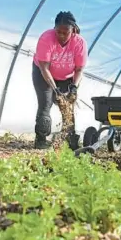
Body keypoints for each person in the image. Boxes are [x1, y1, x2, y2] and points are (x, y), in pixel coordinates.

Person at [32, 11, 88, 149]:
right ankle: (41, 139)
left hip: (67, 77)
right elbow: (44, 68)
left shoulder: (79, 43)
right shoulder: (46, 38)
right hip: (43, 74)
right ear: (54, 28)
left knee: (68, 107)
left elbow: (79, 69)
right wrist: (55, 89)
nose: (61, 35)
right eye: (58, 32)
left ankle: (70, 141)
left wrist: (74, 87)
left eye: (66, 32)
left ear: (73, 30)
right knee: (45, 103)